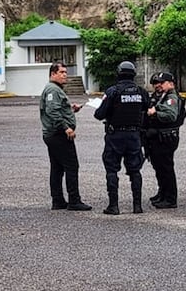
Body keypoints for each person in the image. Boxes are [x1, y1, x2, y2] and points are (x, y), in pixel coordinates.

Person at [94, 60, 151, 215]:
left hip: (115, 135)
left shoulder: (113, 91)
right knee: (135, 170)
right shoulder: (141, 92)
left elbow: (99, 114)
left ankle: (114, 206)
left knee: (112, 169)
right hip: (134, 135)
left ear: (118, 74)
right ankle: (137, 206)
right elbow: (148, 108)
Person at [39, 61, 92, 211]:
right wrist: (66, 128)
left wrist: (71, 109)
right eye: (61, 72)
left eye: (65, 72)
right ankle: (74, 200)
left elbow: (58, 109)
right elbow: (52, 111)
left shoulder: (55, 89)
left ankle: (58, 200)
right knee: (71, 166)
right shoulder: (52, 90)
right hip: (58, 135)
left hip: (54, 134)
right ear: (53, 74)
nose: (64, 75)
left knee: (57, 168)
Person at [145, 71, 186, 209]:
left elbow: (171, 115)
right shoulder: (160, 96)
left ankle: (170, 198)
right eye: (155, 83)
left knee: (166, 167)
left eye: (161, 83)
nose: (158, 85)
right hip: (158, 137)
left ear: (171, 83)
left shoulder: (171, 98)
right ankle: (162, 193)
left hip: (166, 137)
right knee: (159, 167)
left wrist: (155, 113)